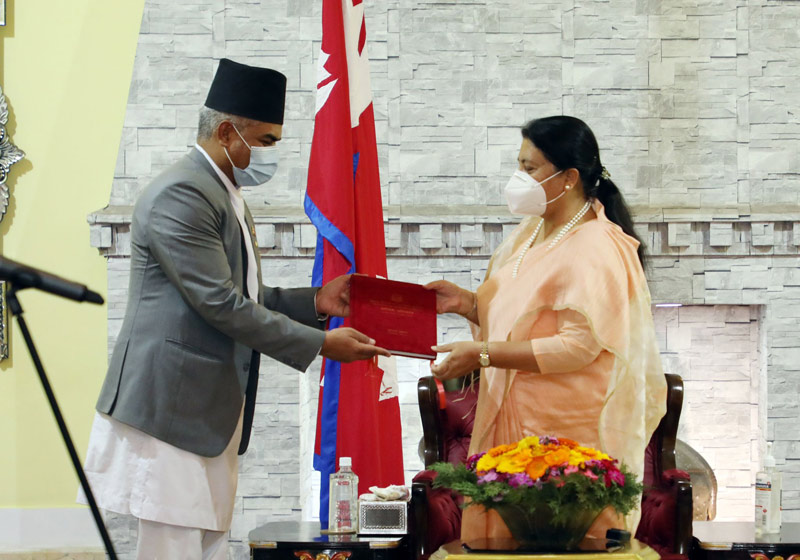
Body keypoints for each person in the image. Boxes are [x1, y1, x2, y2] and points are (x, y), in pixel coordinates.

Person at [78, 59, 389, 559]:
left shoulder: (223, 191)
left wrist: (316, 302)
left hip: (205, 408)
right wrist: (321, 344)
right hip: (171, 405)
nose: (269, 155)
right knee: (174, 546)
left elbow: (240, 295)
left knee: (209, 543)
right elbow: (219, 303)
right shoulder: (183, 194)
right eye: (265, 141)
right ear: (227, 132)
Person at [425, 116, 667, 540]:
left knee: (555, 538)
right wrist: (467, 303)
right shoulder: (532, 231)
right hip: (514, 419)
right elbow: (522, 317)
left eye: (530, 167)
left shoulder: (596, 245)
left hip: (564, 432)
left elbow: (578, 346)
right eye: (518, 165)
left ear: (569, 178)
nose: (519, 177)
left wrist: (482, 354)